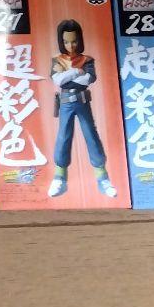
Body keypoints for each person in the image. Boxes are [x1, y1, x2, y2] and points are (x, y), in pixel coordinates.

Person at [48, 20, 117, 199]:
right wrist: (76, 72)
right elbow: (58, 81)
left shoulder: (87, 60)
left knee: (91, 135)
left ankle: (102, 178)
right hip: (65, 102)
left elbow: (88, 80)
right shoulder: (57, 60)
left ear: (80, 40)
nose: (70, 46)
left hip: (83, 101)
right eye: (66, 42)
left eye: (74, 41)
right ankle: (59, 177)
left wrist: (67, 74)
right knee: (63, 135)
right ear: (61, 41)